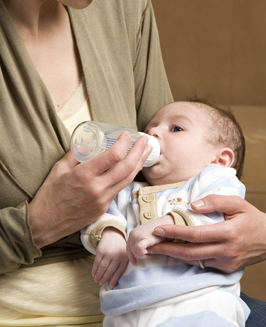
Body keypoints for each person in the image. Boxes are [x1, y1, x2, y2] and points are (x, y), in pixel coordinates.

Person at [0, 0, 173, 325]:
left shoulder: (124, 0)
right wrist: (35, 225)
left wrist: (249, 231)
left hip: (148, 304)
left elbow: (171, 163)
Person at [81, 100, 250, 326]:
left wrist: (165, 225)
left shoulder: (215, 180)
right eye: (151, 127)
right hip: (126, 307)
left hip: (198, 299)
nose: (152, 132)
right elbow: (97, 210)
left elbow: (218, 217)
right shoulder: (127, 189)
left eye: (176, 128)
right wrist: (111, 234)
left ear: (219, 160)